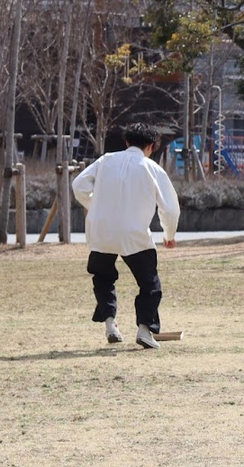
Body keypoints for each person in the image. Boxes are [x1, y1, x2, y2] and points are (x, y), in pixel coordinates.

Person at [72, 123, 181, 350]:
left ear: (127, 142)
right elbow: (170, 208)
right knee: (149, 283)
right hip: (134, 234)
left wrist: (96, 206)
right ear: (150, 147)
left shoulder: (106, 160)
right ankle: (145, 329)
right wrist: (169, 234)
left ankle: (110, 324)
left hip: (102, 231)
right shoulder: (152, 168)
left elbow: (78, 185)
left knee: (103, 278)